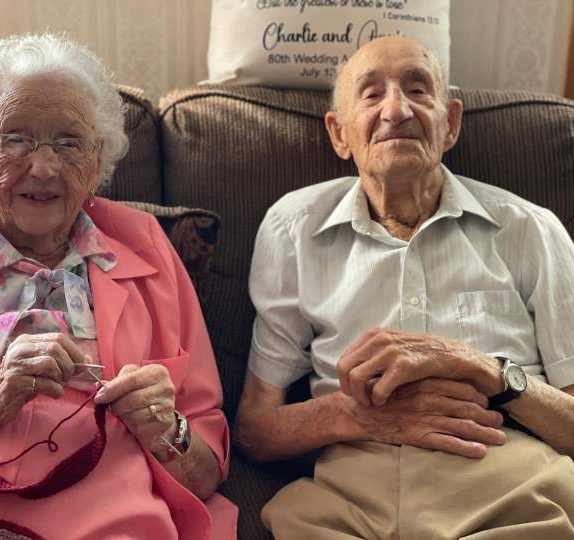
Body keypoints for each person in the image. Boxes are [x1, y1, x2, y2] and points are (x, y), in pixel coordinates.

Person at [0, 34, 236, 540]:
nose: (44, 167)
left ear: (96, 164)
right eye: (16, 139)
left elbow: (207, 469)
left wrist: (166, 428)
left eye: (68, 143)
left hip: (109, 515)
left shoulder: (146, 249)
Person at [236, 36, 574, 539]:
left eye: (418, 90)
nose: (396, 111)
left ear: (451, 123)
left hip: (508, 483)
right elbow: (253, 431)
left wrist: (481, 367)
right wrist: (356, 415)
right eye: (371, 94)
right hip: (350, 498)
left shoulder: (530, 230)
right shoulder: (293, 228)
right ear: (339, 133)